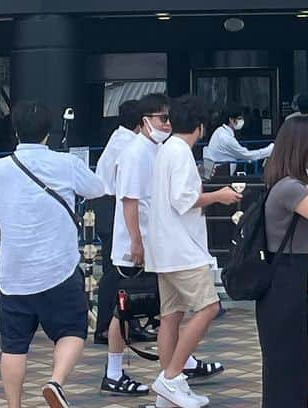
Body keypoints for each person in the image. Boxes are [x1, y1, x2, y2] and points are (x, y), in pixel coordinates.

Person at [0, 100, 107, 408]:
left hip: (14, 275)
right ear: (48, 133)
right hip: (59, 268)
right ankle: (55, 382)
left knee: (14, 347)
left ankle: (14, 405)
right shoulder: (66, 165)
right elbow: (98, 188)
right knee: (72, 331)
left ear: (15, 131)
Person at [146, 94, 242, 408]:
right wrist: (219, 196)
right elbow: (184, 199)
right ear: (200, 127)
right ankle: (171, 378)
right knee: (209, 308)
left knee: (170, 316)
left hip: (164, 248)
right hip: (182, 249)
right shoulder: (181, 153)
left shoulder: (166, 150)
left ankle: (168, 389)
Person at [257, 114, 308, 406]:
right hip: (285, 274)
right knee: (286, 354)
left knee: (289, 353)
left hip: (287, 272)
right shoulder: (289, 187)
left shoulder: (286, 182)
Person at [100, 93, 171, 398]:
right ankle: (114, 372)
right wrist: (137, 244)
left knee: (166, 306)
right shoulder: (133, 152)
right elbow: (130, 201)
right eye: (162, 119)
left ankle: (178, 365)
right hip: (134, 247)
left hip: (152, 243)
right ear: (145, 122)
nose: (167, 124)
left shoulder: (154, 150)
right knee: (124, 310)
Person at [93, 99, 142, 348]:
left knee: (124, 271)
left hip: (107, 204)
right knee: (116, 271)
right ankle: (104, 326)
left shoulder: (120, 137)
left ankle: (129, 322)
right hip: (112, 205)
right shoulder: (128, 144)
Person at [202, 104, 274, 179]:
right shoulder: (226, 138)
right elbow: (247, 155)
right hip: (221, 175)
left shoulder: (220, 131)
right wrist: (268, 150)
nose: (241, 121)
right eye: (239, 118)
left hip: (219, 171)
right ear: (231, 120)